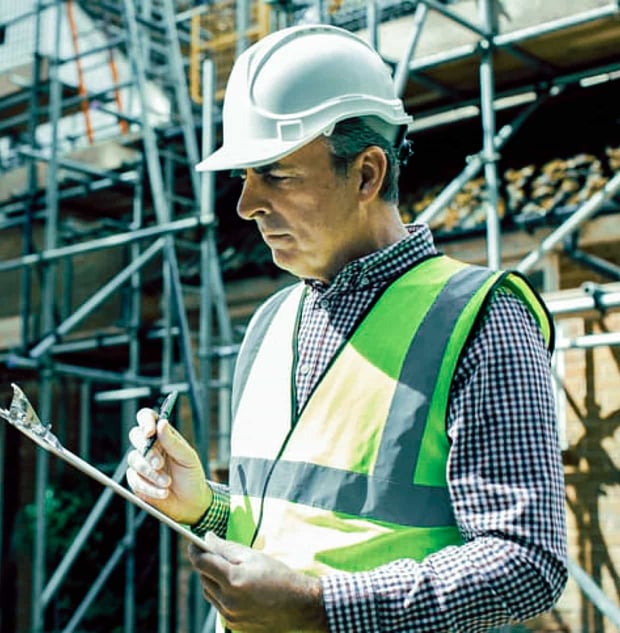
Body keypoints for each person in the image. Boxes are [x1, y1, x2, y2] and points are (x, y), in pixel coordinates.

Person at [126, 24, 567, 633]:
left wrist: (320, 605)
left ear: (365, 173)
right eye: (243, 177)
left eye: (275, 175)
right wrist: (203, 505)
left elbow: (526, 563)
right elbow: (291, 527)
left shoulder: (480, 318)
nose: (244, 205)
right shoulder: (270, 323)